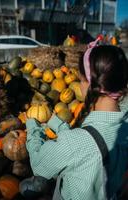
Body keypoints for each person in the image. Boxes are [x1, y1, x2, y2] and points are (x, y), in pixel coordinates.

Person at [20, 44, 128, 200]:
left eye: (80, 79)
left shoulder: (74, 143)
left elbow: (39, 164)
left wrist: (32, 127)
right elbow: (88, 142)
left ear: (89, 84)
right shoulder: (124, 127)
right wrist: (58, 124)